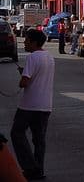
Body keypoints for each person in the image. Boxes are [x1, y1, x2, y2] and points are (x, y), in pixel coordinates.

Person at [10, 28, 55, 181]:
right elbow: (38, 75)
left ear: (34, 42)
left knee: (16, 133)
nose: (25, 43)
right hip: (45, 105)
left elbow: (25, 82)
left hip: (29, 105)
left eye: (27, 40)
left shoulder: (32, 58)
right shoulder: (49, 57)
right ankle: (39, 170)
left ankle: (30, 167)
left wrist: (22, 78)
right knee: (39, 140)